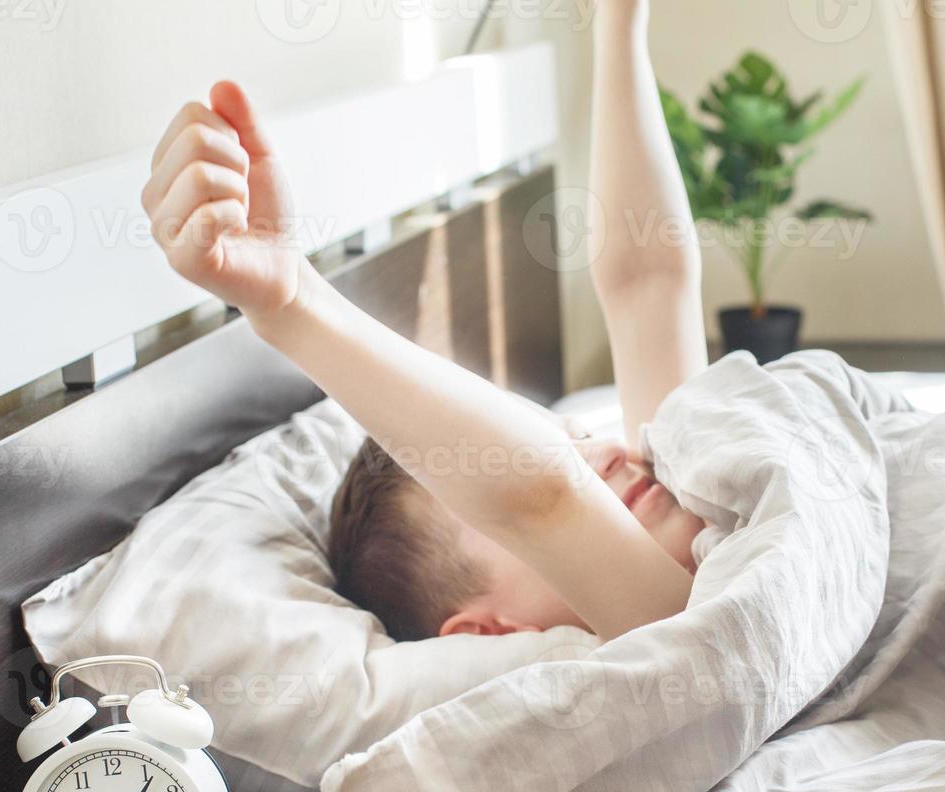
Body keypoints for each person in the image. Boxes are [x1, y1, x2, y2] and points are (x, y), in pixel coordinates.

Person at [142, 0, 710, 641]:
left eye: (572, 436)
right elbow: (546, 497)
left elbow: (649, 286)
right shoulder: (693, 639)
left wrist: (618, 24)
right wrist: (291, 304)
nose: (600, 456)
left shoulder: (708, 488)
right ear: (489, 633)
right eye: (546, 453)